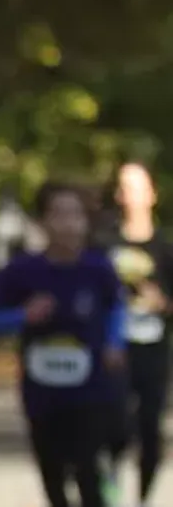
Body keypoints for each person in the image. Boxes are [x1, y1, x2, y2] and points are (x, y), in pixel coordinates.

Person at [0, 182, 126, 507]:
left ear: (86, 221)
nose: (68, 224)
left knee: (89, 472)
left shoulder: (98, 268)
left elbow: (116, 306)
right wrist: (22, 315)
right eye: (58, 214)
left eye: (75, 215)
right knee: (53, 476)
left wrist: (114, 343)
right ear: (42, 221)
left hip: (91, 390)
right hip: (43, 393)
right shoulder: (22, 271)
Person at [101, 160, 173, 507]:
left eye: (137, 187)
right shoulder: (105, 244)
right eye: (124, 187)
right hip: (114, 349)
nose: (130, 195)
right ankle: (111, 487)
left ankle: (143, 497)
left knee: (150, 428)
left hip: (154, 348)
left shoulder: (165, 248)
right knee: (114, 424)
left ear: (152, 194)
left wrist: (161, 302)